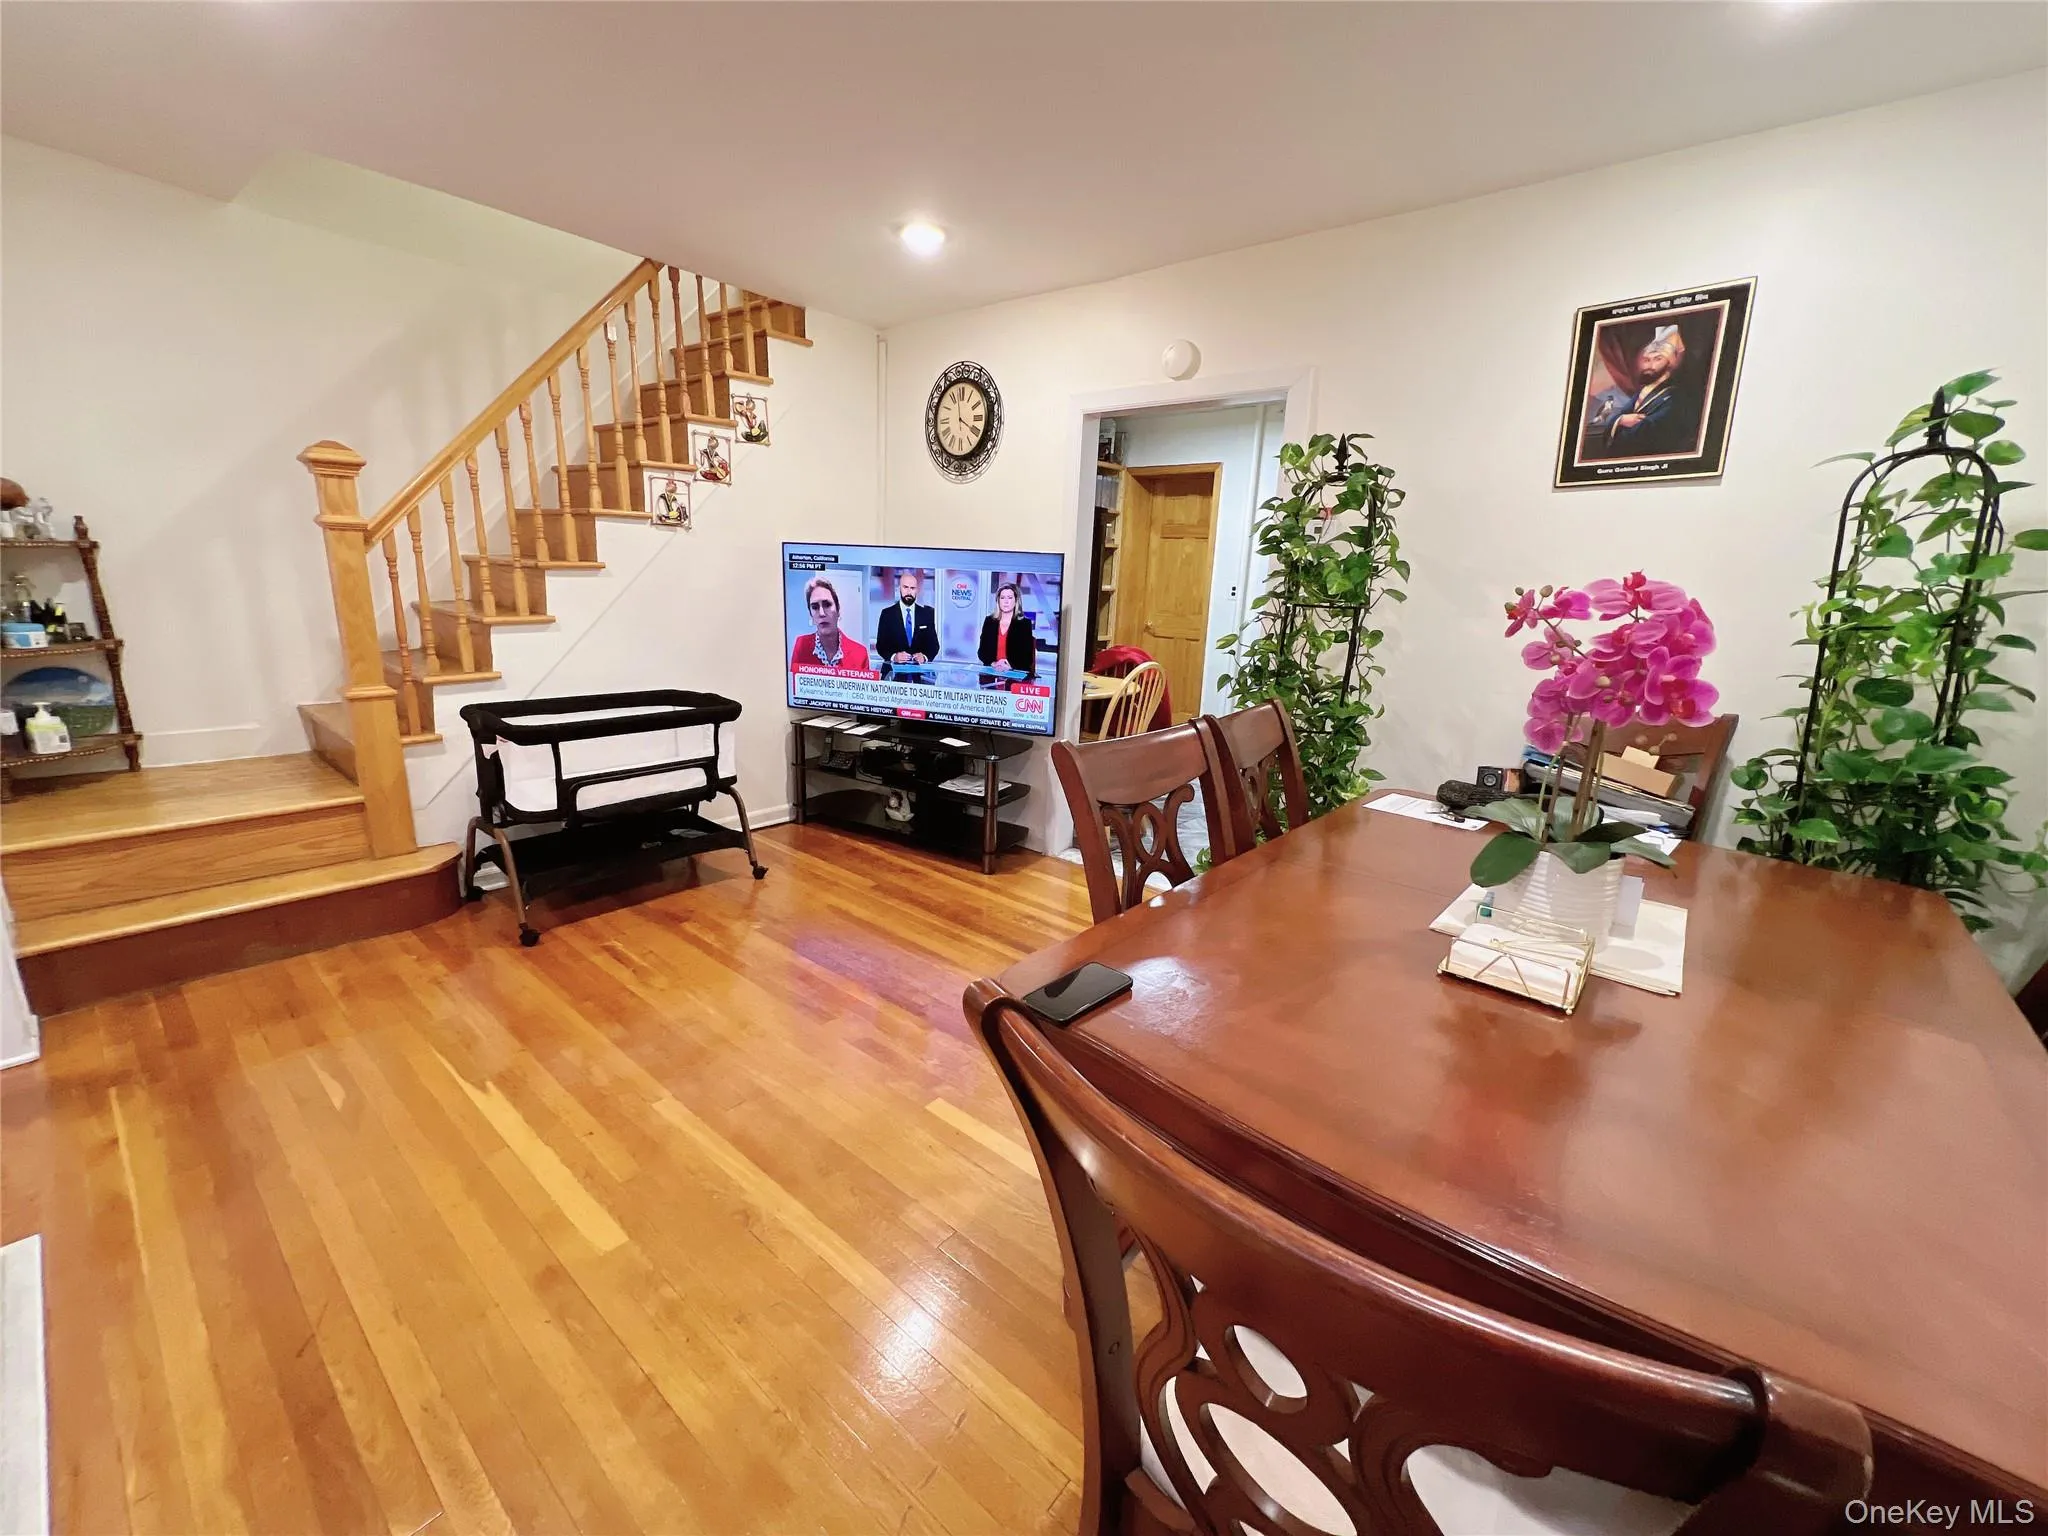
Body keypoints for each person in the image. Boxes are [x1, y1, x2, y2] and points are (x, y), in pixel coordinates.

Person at [1583, 324, 1702, 461]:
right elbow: (1619, 416)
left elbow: (1649, 431)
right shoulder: (1643, 391)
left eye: (1657, 359)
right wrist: (1621, 420)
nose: (1649, 366)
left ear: (1670, 363)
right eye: (1647, 360)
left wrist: (1620, 425)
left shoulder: (1676, 396)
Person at [790, 575, 870, 672]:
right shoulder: (801, 645)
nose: (822, 613)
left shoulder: (860, 653)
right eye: (815, 607)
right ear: (810, 614)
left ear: (838, 610)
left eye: (827, 605)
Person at [874, 570, 940, 682]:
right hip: (894, 677)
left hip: (920, 677)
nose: (909, 592)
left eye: (912, 588)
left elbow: (934, 646)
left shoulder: (927, 614)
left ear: (917, 590)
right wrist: (894, 657)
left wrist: (924, 657)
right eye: (905, 587)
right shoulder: (887, 614)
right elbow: (881, 646)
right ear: (899, 588)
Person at [977, 581, 1037, 686]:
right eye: (1002, 598)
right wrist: (994, 663)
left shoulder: (1024, 624)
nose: (1006, 602)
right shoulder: (989, 621)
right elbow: (982, 652)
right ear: (998, 601)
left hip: (1015, 677)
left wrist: (1009, 665)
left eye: (1009, 598)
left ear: (1016, 601)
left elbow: (1027, 658)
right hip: (991, 676)